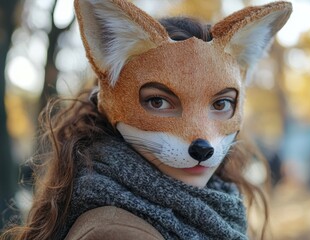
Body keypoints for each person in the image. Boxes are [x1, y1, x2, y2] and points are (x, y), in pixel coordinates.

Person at [2, 0, 291, 239]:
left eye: (221, 103)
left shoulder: (216, 203)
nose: (202, 141)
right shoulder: (115, 232)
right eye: (158, 102)